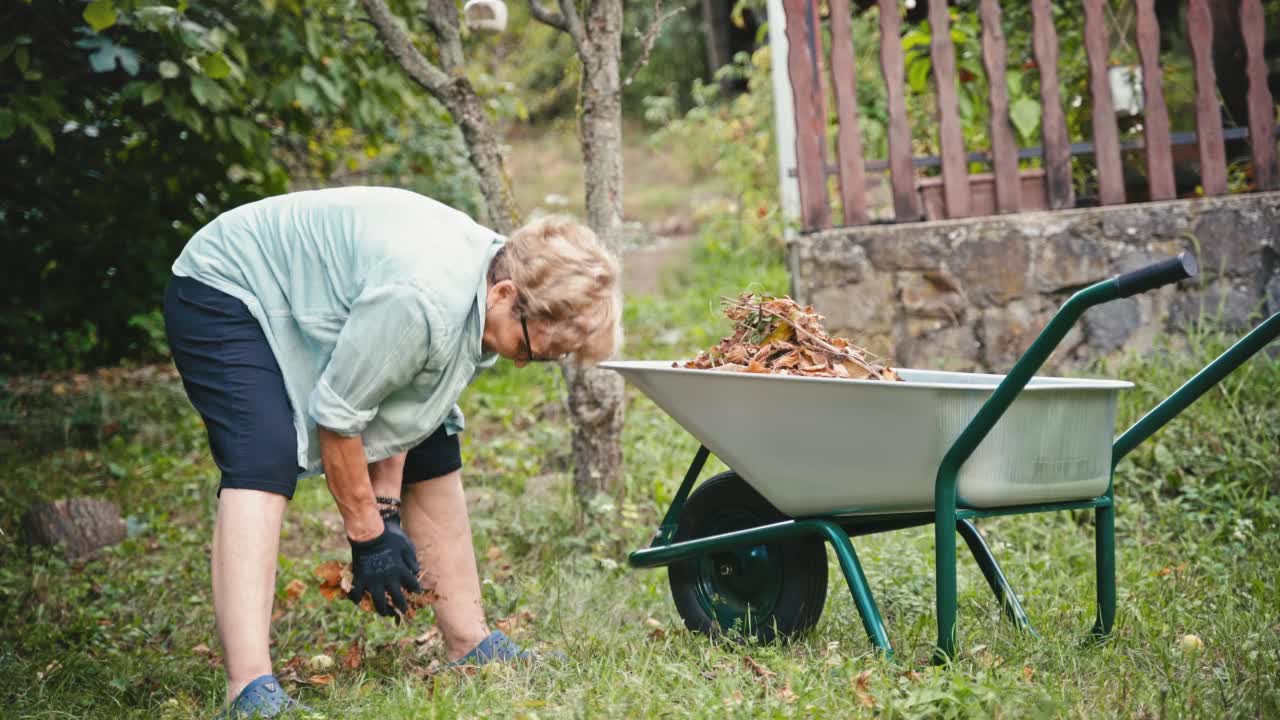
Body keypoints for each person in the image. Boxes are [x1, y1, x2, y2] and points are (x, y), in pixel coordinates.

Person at [162, 186, 619, 718]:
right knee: (262, 459)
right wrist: (368, 535)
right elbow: (338, 418)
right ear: (504, 295)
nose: (522, 363)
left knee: (433, 444)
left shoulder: (488, 276)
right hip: (225, 286)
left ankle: (470, 642)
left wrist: (386, 509)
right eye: (531, 348)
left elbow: (405, 405)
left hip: (320, 290)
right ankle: (249, 691)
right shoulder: (424, 299)